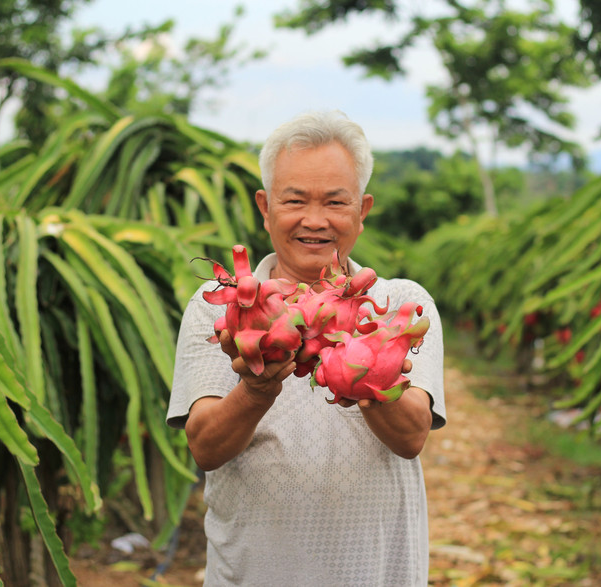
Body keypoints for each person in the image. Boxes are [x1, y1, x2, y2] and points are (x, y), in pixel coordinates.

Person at [167, 110, 446, 586]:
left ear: (363, 209)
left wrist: (359, 357)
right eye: (294, 200)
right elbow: (204, 447)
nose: (314, 221)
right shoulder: (220, 309)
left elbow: (410, 437)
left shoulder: (402, 305)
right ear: (265, 206)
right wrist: (254, 391)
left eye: (336, 202)